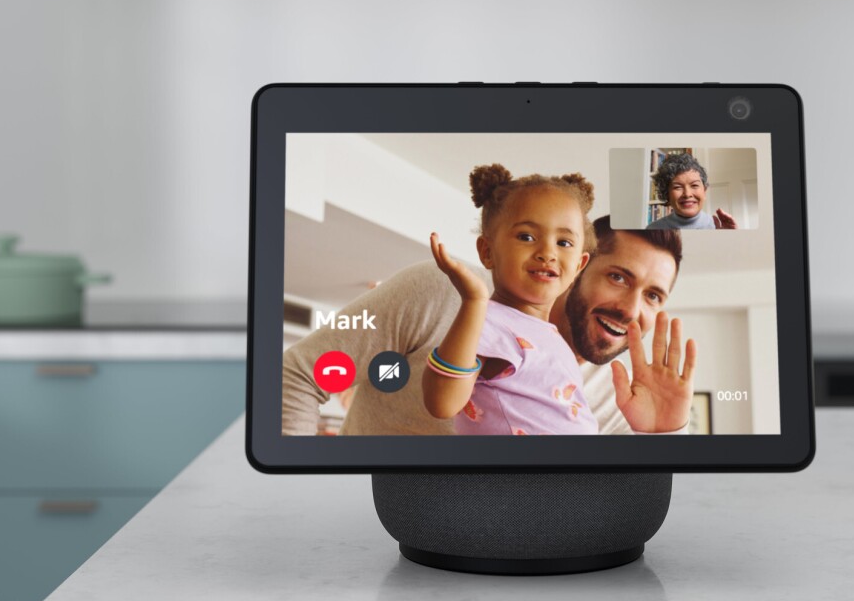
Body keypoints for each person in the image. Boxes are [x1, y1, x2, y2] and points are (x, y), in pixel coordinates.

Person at [281, 215, 690, 436]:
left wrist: (665, 434)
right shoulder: (441, 292)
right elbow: (299, 376)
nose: (631, 309)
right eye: (618, 277)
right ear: (579, 265)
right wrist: (306, 500)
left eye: (653, 296)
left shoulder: (617, 396)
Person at [425, 164, 619, 434]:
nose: (547, 252)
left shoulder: (551, 337)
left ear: (579, 265)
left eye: (563, 243)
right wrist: (474, 301)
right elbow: (442, 403)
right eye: (527, 237)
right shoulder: (489, 320)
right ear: (487, 251)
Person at [646, 152, 737, 230]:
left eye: (694, 185)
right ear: (667, 194)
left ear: (704, 191)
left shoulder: (718, 227)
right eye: (678, 187)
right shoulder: (652, 230)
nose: (687, 194)